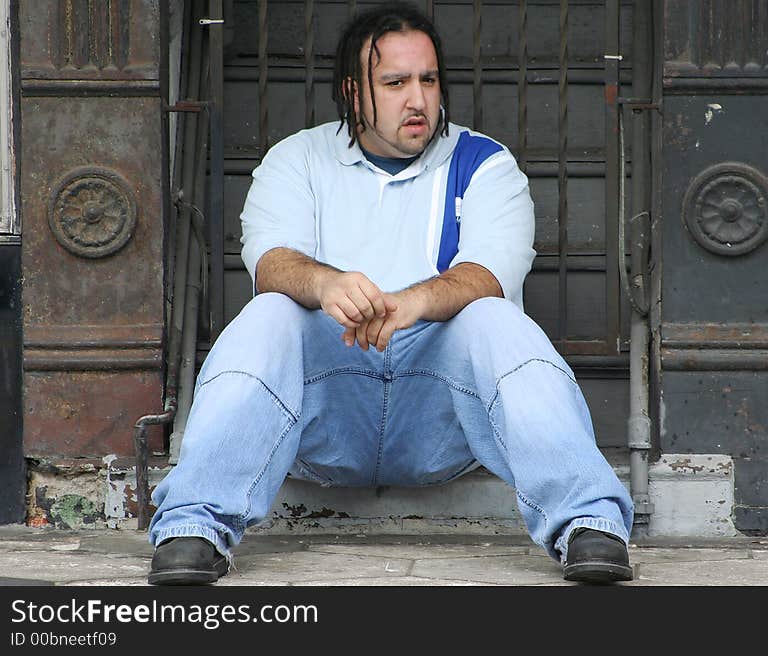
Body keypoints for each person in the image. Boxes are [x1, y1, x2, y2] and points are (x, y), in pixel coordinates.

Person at [147, 1, 634, 585]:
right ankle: (193, 527)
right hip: (328, 410)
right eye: (396, 82)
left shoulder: (484, 162)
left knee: (494, 319)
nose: (418, 99)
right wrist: (327, 284)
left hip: (439, 416)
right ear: (354, 93)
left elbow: (490, 273)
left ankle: (589, 523)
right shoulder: (297, 159)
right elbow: (271, 261)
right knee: (269, 313)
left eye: (428, 80)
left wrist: (412, 302)